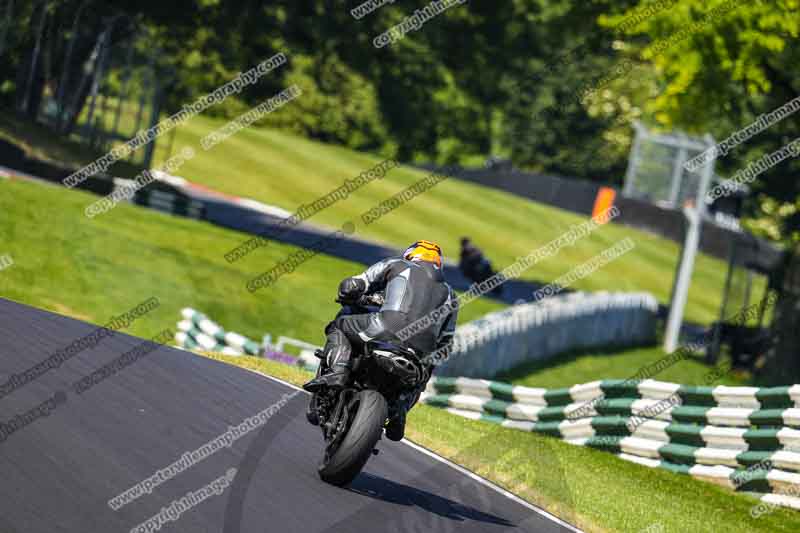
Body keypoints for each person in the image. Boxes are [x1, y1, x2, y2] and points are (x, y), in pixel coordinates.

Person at [303, 240, 458, 440]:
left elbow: (356, 284)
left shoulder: (396, 264)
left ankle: (337, 372)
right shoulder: (451, 296)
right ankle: (400, 411)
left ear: (410, 255)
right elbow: (446, 343)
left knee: (339, 326)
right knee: (428, 367)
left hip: (384, 328)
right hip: (419, 353)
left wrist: (346, 292)